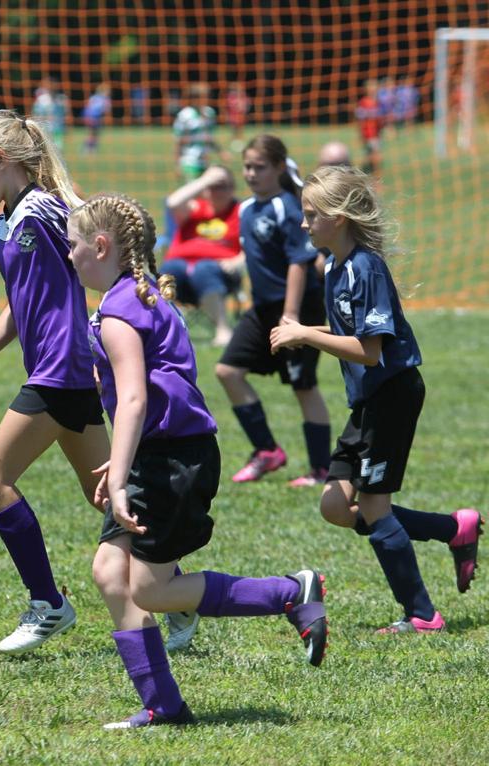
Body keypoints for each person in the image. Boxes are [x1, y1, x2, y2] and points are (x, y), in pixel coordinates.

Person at [67, 192, 328, 730]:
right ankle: (163, 704)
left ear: (100, 245)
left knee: (150, 590)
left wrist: (120, 477)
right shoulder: (139, 297)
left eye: (73, 247)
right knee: (110, 571)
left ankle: (288, 592)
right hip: (161, 454)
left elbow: (135, 399)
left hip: (171, 461)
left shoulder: (119, 310)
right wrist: (122, 464)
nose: (70, 258)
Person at [272, 165, 483, 633]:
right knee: (334, 505)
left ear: (340, 218)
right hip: (370, 400)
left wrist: (306, 332)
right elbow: (350, 333)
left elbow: (370, 351)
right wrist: (305, 335)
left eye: (312, 215)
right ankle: (453, 529)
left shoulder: (367, 268)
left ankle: (422, 614)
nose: (304, 224)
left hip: (392, 395)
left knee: (372, 507)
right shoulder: (335, 266)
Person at [0, 110, 112, 655]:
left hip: (61, 370)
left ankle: (48, 603)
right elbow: (20, 306)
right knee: (107, 496)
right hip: (61, 374)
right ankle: (176, 595)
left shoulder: (45, 212)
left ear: (2, 160)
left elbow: (107, 250)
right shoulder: (5, 223)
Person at [216, 135, 331, 486]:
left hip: (297, 310)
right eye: (247, 167)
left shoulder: (287, 207)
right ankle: (267, 451)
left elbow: (301, 261)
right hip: (263, 309)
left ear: (280, 167)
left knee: (303, 386)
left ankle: (321, 469)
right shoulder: (246, 209)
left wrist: (291, 315)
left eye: (259, 167)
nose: (251, 174)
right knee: (227, 371)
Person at [159, 165, 243, 347]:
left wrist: (236, 262)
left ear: (232, 188)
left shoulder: (240, 211)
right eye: (212, 186)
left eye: (222, 185)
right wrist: (206, 179)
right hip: (181, 274)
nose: (216, 191)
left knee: (203, 269)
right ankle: (164, 332)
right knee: (169, 269)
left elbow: (250, 248)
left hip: (219, 272)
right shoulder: (195, 208)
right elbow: (172, 203)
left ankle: (223, 330)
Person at [172, 83, 220, 181]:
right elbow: (179, 142)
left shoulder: (209, 113)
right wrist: (177, 165)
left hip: (204, 160)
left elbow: (209, 137)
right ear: (193, 98)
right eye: (202, 97)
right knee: (193, 190)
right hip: (189, 160)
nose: (205, 100)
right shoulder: (184, 115)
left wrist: (221, 152)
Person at [31, 76, 68, 151]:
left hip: (58, 129)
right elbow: (36, 115)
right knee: (45, 150)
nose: (51, 87)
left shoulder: (61, 99)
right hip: (45, 129)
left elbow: (65, 113)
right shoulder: (41, 100)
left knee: (58, 149)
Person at [356, 79, 383, 175]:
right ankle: (376, 181)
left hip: (377, 134)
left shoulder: (378, 102)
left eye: (375, 87)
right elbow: (360, 120)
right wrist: (361, 134)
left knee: (370, 157)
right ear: (366, 89)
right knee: (376, 157)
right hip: (369, 134)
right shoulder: (363, 102)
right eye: (371, 87)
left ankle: (358, 172)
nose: (373, 89)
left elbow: (380, 120)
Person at [81, 84, 110, 153]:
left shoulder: (94, 97)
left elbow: (87, 107)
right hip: (94, 117)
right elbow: (106, 110)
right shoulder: (105, 99)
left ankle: (88, 148)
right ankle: (90, 149)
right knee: (94, 134)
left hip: (87, 116)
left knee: (91, 133)